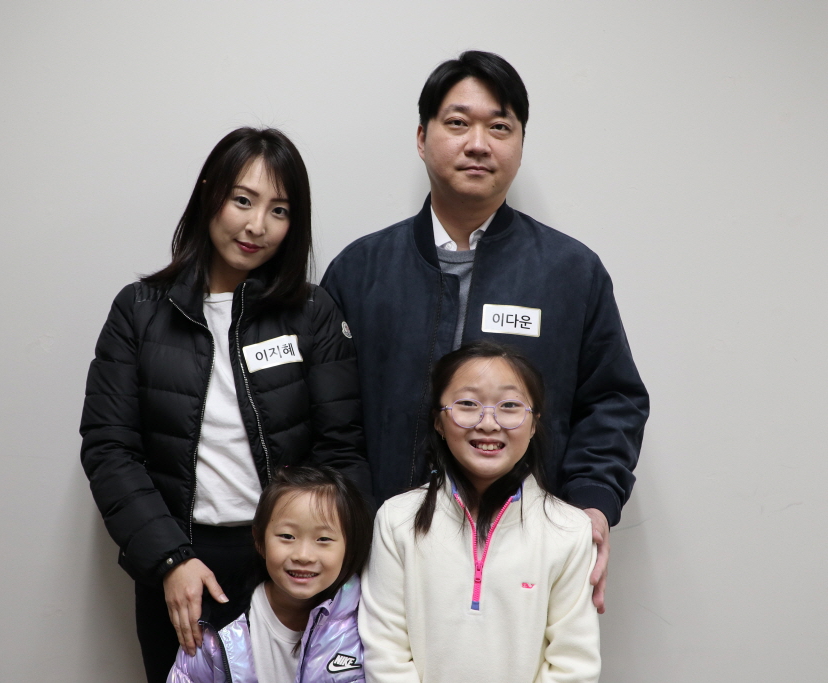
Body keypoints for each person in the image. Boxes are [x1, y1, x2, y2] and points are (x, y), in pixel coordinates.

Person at [321, 50, 649, 612]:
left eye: (499, 127)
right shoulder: (360, 270)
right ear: (422, 138)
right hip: (381, 557)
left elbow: (613, 400)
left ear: (520, 144)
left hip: (526, 562)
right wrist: (348, 522)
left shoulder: (570, 272)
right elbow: (330, 418)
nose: (478, 143)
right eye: (458, 123)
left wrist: (593, 504)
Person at [80, 127, 370, 683]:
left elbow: (342, 450)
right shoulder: (139, 310)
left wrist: (333, 563)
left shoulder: (312, 312)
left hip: (291, 562)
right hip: (181, 562)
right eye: (243, 200)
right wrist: (169, 560)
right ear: (209, 195)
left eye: (279, 210)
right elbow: (110, 449)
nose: (257, 225)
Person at [359, 341, 600, 683]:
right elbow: (385, 653)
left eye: (510, 405)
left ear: (534, 424)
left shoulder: (569, 530)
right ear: (439, 421)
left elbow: (573, 666)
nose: (488, 423)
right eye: (468, 404)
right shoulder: (396, 520)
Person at [168, 466, 372, 683]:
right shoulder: (219, 622)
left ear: (350, 546)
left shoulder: (365, 617)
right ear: (260, 540)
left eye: (323, 539)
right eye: (287, 536)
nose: (303, 556)